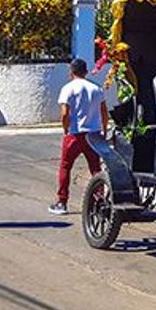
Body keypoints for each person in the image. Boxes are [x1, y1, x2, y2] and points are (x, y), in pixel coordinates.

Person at [49, 58, 108, 215]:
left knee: (66, 166)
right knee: (95, 168)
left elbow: (64, 113)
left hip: (75, 133)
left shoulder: (68, 89)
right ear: (86, 71)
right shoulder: (96, 89)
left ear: (71, 72)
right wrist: (104, 130)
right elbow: (104, 112)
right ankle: (98, 200)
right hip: (93, 133)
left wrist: (65, 129)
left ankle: (62, 202)